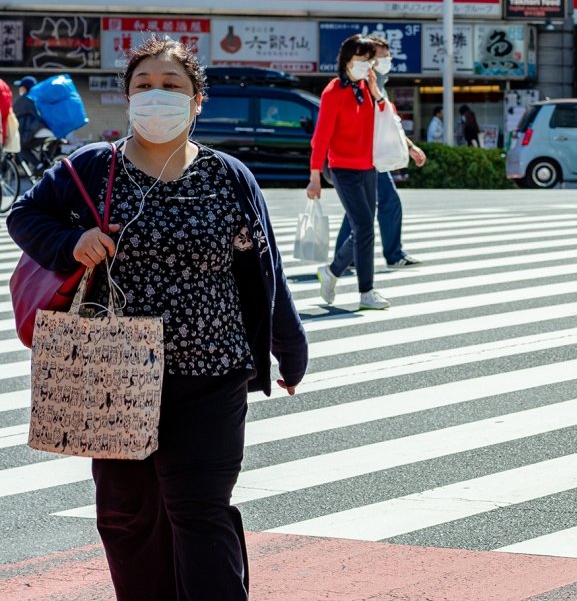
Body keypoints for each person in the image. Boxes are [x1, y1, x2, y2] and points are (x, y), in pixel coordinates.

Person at [6, 37, 308, 599]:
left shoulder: (229, 175)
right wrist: (72, 242)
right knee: (129, 514)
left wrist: (289, 346)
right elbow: (25, 216)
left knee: (201, 508)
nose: (156, 96)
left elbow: (264, 267)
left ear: (197, 101)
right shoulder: (92, 169)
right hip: (114, 368)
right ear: (127, 99)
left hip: (213, 368)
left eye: (172, 86)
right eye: (144, 85)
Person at [308, 34, 392, 311]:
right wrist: (315, 174)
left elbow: (386, 118)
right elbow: (321, 137)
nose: (365, 63)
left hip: (368, 166)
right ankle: (366, 292)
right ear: (346, 59)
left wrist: (375, 89)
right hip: (342, 168)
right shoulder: (333, 91)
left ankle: (331, 272)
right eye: (360, 58)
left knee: (363, 227)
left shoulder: (366, 87)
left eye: (368, 59)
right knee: (365, 226)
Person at [333, 36, 425, 270]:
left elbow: (387, 122)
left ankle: (346, 258)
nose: (387, 59)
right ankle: (391, 255)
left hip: (369, 156)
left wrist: (410, 147)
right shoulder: (362, 84)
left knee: (361, 208)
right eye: (383, 55)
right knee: (387, 202)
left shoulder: (376, 82)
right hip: (364, 156)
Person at [12, 76, 44, 168]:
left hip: (34, 131)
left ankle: (39, 165)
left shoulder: (23, 100)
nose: (19, 89)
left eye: (21, 87)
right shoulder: (37, 98)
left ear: (25, 88)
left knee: (20, 147)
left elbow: (12, 115)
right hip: (43, 130)